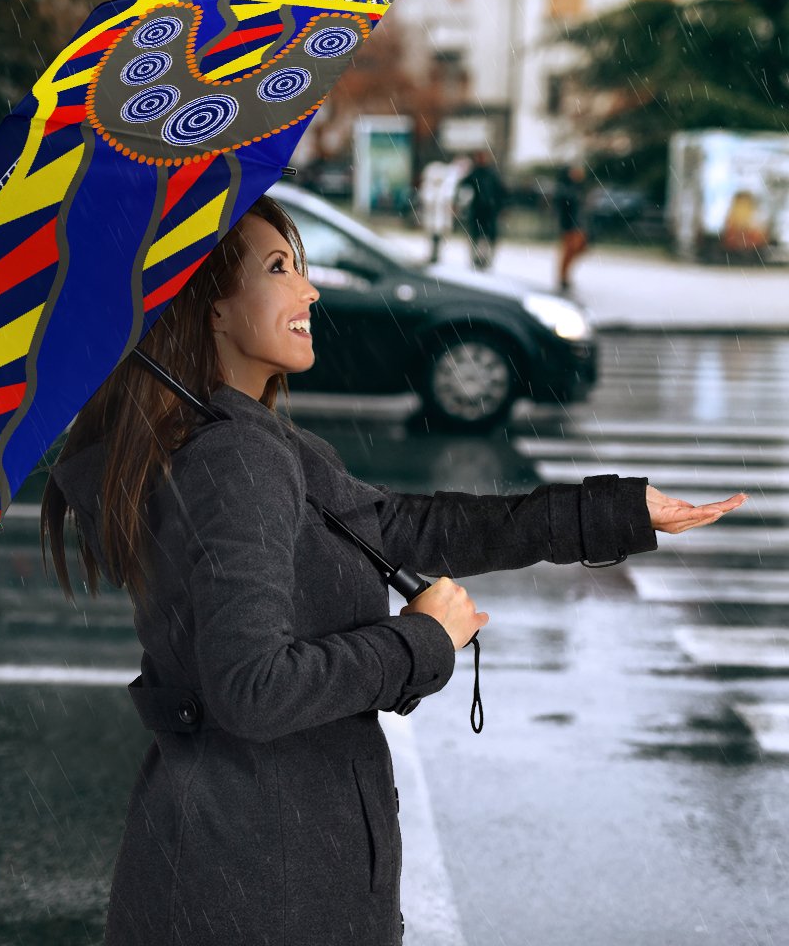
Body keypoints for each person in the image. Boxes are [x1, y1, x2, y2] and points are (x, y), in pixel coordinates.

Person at [41, 194, 746, 946]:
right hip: (261, 886)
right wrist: (419, 641)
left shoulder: (248, 443)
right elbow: (252, 689)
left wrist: (613, 512)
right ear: (211, 308)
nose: (309, 290)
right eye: (280, 268)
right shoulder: (234, 459)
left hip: (247, 866)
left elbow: (410, 527)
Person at [456, 149, 507, 271]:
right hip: (478, 210)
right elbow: (463, 186)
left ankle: (485, 259)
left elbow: (501, 192)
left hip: (489, 211)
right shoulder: (475, 173)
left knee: (487, 236)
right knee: (476, 235)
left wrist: (501, 207)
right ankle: (476, 258)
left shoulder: (491, 174)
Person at [555, 163, 589, 292]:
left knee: (579, 248)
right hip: (570, 224)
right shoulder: (565, 188)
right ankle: (563, 277)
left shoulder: (579, 188)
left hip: (579, 224)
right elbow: (564, 206)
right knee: (569, 251)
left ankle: (565, 276)